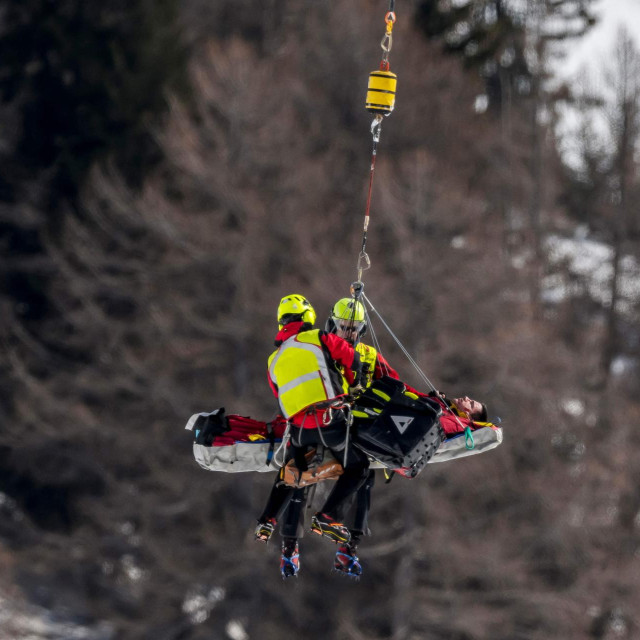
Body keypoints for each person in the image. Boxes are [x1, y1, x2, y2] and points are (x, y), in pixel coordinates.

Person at [325, 297, 491, 578]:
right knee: (359, 475)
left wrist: (425, 402)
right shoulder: (321, 349)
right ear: (333, 325)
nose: (349, 333)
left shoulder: (368, 354)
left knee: (363, 478)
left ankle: (348, 544)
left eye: (354, 328)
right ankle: (339, 536)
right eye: (344, 327)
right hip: (332, 415)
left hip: (363, 420)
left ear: (362, 330)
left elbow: (395, 385)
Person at [255, 294, 370, 578]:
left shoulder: (273, 359)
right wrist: (353, 381)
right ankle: (329, 517)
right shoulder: (319, 337)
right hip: (330, 420)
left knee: (297, 474)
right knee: (360, 467)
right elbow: (352, 359)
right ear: (310, 318)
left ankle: (277, 531)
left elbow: (279, 394)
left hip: (299, 431)